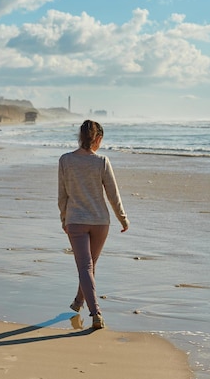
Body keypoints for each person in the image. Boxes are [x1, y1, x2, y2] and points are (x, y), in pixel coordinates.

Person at [58, 120, 129, 329]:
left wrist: (64, 218)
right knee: (88, 266)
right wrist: (122, 218)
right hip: (100, 222)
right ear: (98, 139)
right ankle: (84, 306)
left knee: (86, 267)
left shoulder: (65, 161)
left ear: (80, 137)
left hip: (76, 221)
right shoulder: (102, 162)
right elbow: (113, 195)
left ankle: (92, 310)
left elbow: (62, 196)